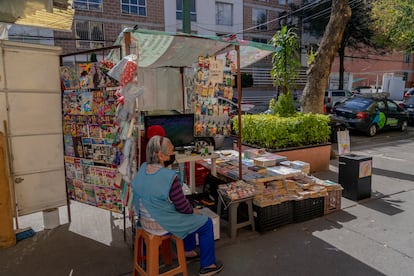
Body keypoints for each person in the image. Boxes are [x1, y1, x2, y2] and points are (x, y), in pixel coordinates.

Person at [132, 135, 223, 276]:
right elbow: (184, 208)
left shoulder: (142, 169)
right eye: (171, 151)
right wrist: (194, 210)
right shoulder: (169, 177)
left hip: (144, 222)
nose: (174, 154)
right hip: (161, 225)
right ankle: (208, 266)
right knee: (205, 223)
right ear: (160, 155)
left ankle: (187, 250)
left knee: (183, 215)